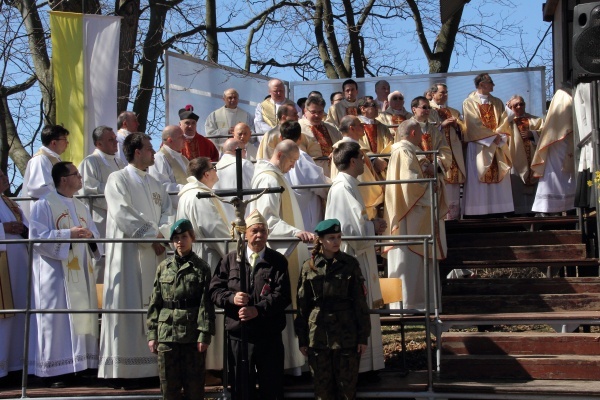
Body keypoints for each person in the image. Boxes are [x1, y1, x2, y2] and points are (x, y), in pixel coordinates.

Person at [99, 133, 174, 385]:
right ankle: (125, 370)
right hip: (129, 254)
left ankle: (154, 367)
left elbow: (168, 211)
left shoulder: (155, 183)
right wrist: (152, 235)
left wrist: (162, 235)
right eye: (150, 149)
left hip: (156, 253)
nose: (154, 153)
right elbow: (121, 211)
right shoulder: (117, 179)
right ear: (137, 152)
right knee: (129, 303)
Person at [30, 161, 102, 386]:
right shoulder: (43, 205)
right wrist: (67, 233)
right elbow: (37, 238)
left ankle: (81, 366)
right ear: (63, 180)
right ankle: (56, 371)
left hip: (80, 270)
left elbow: (96, 238)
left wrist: (90, 236)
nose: (80, 177)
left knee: (80, 317)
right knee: (58, 320)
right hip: (56, 273)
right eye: (76, 174)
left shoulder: (80, 206)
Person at [210, 210, 291, 400]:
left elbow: (283, 295)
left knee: (272, 388)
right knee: (241, 388)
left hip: (268, 334)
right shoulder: (230, 260)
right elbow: (214, 290)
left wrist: (258, 310)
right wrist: (232, 298)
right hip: (239, 335)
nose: (259, 235)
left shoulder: (277, 261)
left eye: (263, 231)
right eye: (254, 231)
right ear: (245, 234)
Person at [249, 140, 313, 373]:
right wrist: (296, 232)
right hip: (276, 257)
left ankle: (293, 363)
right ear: (279, 155)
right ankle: (287, 366)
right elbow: (266, 220)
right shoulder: (268, 178)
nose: (293, 167)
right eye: (292, 161)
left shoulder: (277, 176)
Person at [326, 142, 386, 377]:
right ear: (353, 161)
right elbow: (348, 229)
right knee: (356, 308)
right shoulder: (343, 187)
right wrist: (374, 225)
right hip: (352, 257)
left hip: (359, 254)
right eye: (362, 158)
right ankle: (358, 370)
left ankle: (367, 366)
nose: (364, 162)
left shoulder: (349, 185)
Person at [295, 218, 371, 400]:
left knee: (347, 389)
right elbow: (302, 306)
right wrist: (302, 340)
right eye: (331, 238)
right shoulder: (309, 267)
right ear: (320, 239)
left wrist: (363, 337)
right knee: (322, 390)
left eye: (338, 237)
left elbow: (360, 303)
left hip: (346, 335)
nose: (336, 242)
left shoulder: (350, 265)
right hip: (318, 335)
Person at [147, 219, 216, 400]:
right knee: (169, 388)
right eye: (176, 238)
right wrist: (152, 334)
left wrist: (204, 335)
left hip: (191, 335)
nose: (180, 241)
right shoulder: (164, 267)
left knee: (194, 388)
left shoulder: (201, 268)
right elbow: (155, 301)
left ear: (192, 238)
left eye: (184, 236)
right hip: (167, 335)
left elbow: (206, 304)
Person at [384, 120, 447, 311]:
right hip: (411, 213)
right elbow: (411, 183)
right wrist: (432, 184)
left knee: (409, 260)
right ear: (412, 133)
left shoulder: (405, 150)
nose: (422, 136)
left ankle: (406, 304)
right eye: (420, 132)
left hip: (409, 211)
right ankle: (407, 304)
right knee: (409, 260)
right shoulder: (404, 150)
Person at [177, 157, 231, 373]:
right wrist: (236, 255)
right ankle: (212, 367)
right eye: (213, 168)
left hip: (199, 257)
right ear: (206, 174)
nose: (216, 171)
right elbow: (213, 229)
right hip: (209, 259)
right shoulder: (199, 195)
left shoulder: (189, 194)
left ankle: (207, 367)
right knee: (211, 312)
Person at [78, 125, 125, 283]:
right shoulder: (90, 162)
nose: (115, 142)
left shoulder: (119, 163)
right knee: (101, 260)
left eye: (115, 139)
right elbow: (88, 190)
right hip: (100, 219)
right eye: (110, 140)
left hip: (117, 219)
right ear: (98, 144)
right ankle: (98, 302)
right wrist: (116, 196)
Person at [462, 73, 513, 216]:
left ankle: (499, 210)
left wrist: (499, 136)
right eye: (490, 82)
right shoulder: (469, 102)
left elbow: (504, 120)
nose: (493, 85)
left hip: (496, 145)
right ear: (481, 84)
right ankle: (478, 212)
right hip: (479, 145)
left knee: (498, 175)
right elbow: (472, 124)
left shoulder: (497, 102)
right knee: (479, 176)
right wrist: (491, 138)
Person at [0, 169, 29, 384]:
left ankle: (15, 365)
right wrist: (4, 228)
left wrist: (22, 228)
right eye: (0, 176)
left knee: (19, 311)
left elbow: (27, 226)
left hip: (18, 264)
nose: (5, 178)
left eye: (4, 175)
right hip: (3, 266)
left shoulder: (9, 202)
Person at [531, 88, 576, 215]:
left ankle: (563, 206)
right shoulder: (563, 95)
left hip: (564, 139)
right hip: (559, 140)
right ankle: (546, 209)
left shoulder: (565, 94)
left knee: (565, 177)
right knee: (553, 175)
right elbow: (565, 118)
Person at [331, 115, 384, 219]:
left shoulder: (355, 147)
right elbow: (359, 178)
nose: (363, 127)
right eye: (360, 125)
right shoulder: (344, 148)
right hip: (359, 201)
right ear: (352, 128)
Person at [282, 121, 331, 232]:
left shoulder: (277, 154)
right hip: (306, 210)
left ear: (281, 137)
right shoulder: (301, 156)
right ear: (300, 138)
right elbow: (318, 183)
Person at [429, 83, 466, 220]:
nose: (444, 95)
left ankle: (454, 219)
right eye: (441, 92)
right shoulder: (428, 109)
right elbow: (426, 131)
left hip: (454, 153)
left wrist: (457, 126)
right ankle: (442, 219)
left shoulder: (453, 111)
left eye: (446, 92)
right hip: (439, 154)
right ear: (433, 94)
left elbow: (464, 131)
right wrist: (442, 125)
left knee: (454, 187)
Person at [505, 95, 544, 215]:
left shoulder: (536, 120)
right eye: (515, 105)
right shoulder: (507, 123)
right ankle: (517, 215)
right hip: (515, 159)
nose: (519, 106)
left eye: (521, 104)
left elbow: (546, 133)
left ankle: (535, 213)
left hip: (533, 159)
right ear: (510, 107)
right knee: (516, 188)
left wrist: (532, 134)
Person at [20, 124, 69, 218]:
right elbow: (39, 189)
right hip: (43, 213)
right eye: (65, 140)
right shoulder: (40, 159)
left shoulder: (55, 159)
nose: (67, 143)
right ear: (54, 143)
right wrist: (64, 196)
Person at [213, 138, 255, 224]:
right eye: (244, 150)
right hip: (245, 218)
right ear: (237, 150)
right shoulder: (244, 164)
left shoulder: (214, 169)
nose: (245, 153)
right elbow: (257, 187)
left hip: (225, 222)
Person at [298, 95, 343, 176]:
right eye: (313, 112)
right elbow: (301, 157)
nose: (317, 115)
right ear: (305, 110)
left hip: (335, 171)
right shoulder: (299, 129)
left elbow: (342, 144)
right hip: (313, 174)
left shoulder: (332, 127)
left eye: (320, 112)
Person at [148, 125, 189, 209]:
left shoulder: (183, 158)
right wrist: (188, 188)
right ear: (170, 140)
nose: (185, 139)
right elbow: (161, 186)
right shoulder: (159, 158)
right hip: (172, 211)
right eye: (181, 137)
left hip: (187, 206)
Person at [358, 98, 394, 179]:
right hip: (364, 166)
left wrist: (384, 160)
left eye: (377, 105)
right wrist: (373, 159)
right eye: (374, 105)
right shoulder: (356, 125)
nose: (377, 108)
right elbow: (356, 143)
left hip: (383, 166)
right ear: (363, 109)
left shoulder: (382, 127)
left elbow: (390, 144)